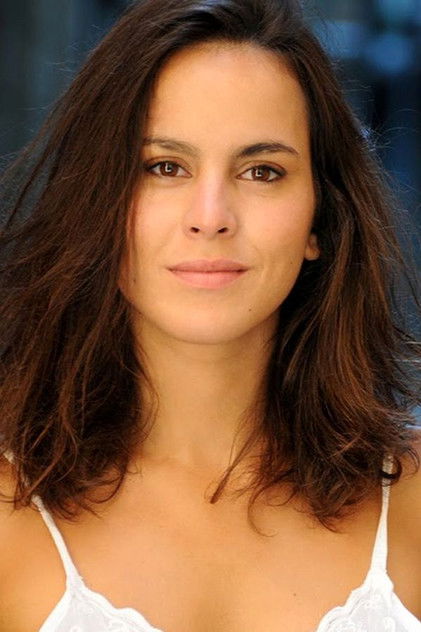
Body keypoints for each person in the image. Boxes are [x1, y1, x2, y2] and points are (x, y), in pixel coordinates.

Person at [0, 0, 420, 630]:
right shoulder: (8, 513)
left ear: (320, 219)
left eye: (261, 171)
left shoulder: (412, 503)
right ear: (97, 202)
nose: (210, 216)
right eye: (164, 167)